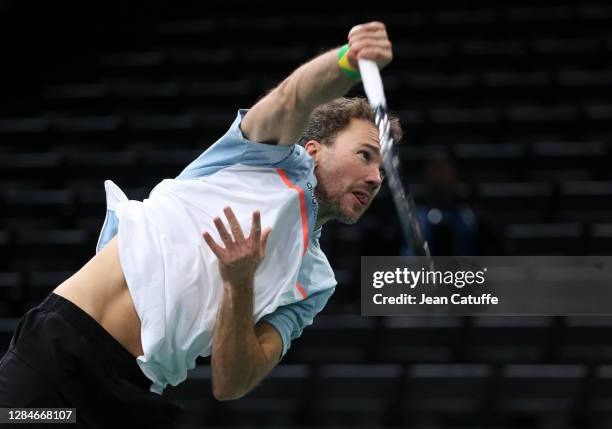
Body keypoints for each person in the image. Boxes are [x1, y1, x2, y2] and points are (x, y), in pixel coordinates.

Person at [0, 21, 401, 427]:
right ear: (313, 149)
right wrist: (348, 62)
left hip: (135, 396)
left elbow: (232, 382)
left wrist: (238, 284)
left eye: (383, 170)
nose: (375, 179)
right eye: (366, 155)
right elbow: (290, 99)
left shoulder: (315, 281)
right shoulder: (264, 158)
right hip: (61, 355)